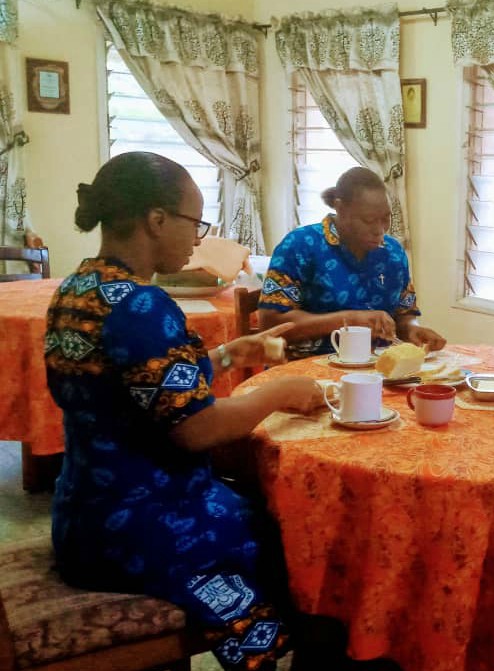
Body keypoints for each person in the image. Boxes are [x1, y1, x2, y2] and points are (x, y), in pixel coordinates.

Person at [45, 152, 326, 671]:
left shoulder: (79, 288)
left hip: (82, 514)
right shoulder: (142, 306)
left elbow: (138, 388)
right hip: (141, 527)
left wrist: (227, 355)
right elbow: (196, 430)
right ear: (156, 220)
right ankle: (278, 654)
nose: (198, 239)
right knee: (291, 527)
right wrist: (281, 391)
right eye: (194, 223)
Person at [259, 166, 445, 358]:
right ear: (340, 208)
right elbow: (270, 324)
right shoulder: (300, 246)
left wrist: (411, 329)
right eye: (368, 220)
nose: (379, 230)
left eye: (385, 219)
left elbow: (405, 313)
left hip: (378, 366)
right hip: (309, 368)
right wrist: (349, 319)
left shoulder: (393, 253)